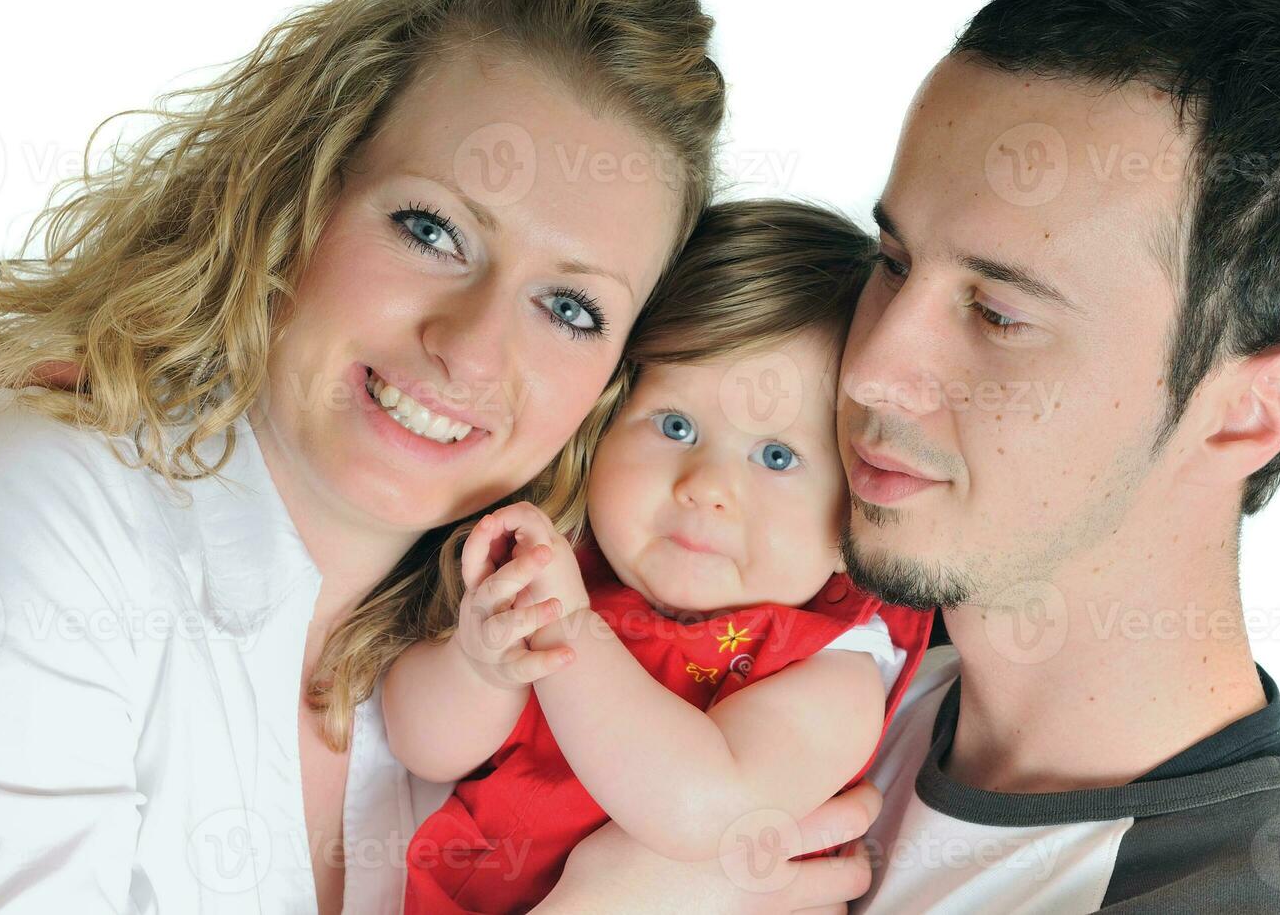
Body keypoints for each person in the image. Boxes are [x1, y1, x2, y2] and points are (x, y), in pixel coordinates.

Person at [0, 0, 1280, 915]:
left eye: (997, 312)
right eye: (889, 263)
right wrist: (5, 436)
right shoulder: (828, 622)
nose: (871, 367)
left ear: (1248, 405)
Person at [0, 0, 746, 912]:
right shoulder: (38, 506)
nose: (472, 351)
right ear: (294, 195)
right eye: (431, 229)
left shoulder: (527, 680)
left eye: (569, 309)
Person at [384, 200, 933, 913]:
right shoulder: (566, 565)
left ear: (854, 516)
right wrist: (477, 668)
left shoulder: (835, 666)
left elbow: (702, 810)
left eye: (776, 456)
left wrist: (569, 630)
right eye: (674, 425)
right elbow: (422, 748)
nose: (705, 488)